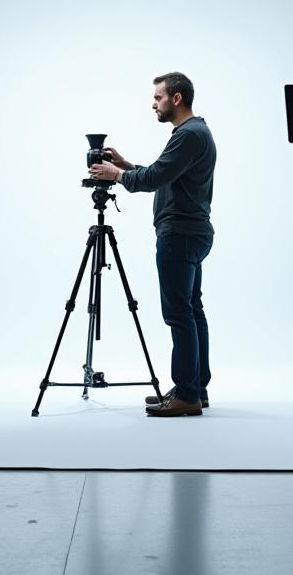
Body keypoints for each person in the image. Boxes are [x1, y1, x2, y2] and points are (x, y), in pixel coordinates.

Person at [89, 72, 217, 418]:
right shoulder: (195, 133)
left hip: (180, 234)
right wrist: (127, 166)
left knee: (179, 313)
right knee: (192, 310)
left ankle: (188, 394)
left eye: (158, 97)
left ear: (176, 98)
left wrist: (117, 176)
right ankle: (196, 387)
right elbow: (165, 174)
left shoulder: (189, 135)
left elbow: (156, 178)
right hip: (193, 231)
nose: (153, 104)